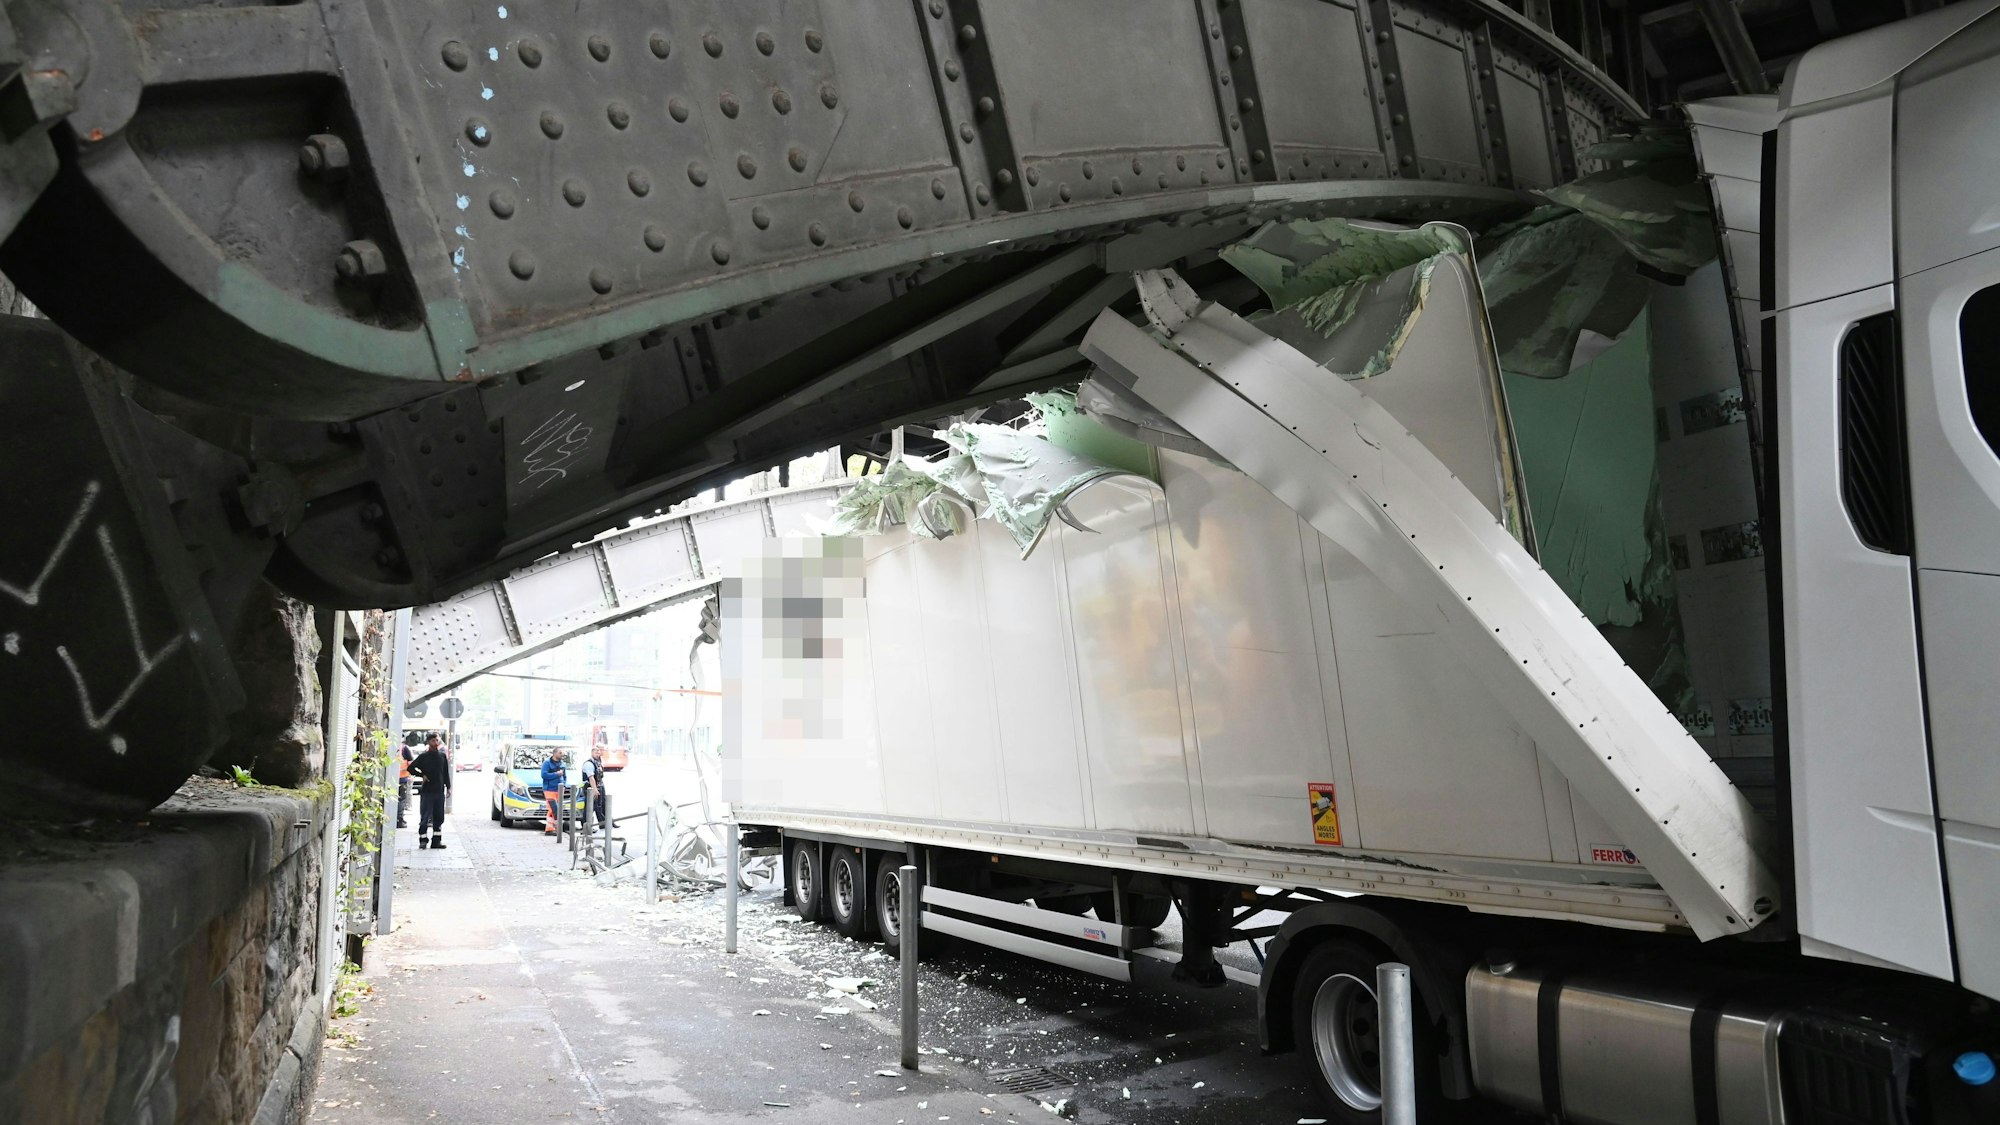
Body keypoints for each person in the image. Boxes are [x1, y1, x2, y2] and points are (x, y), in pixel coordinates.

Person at [409, 733, 453, 849]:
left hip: (439, 791)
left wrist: (448, 787)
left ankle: (436, 841)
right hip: (427, 792)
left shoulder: (442, 756)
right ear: (428, 742)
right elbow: (410, 768)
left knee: (439, 817)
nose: (436, 743)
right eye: (433, 741)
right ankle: (423, 840)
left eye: (437, 740)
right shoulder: (423, 757)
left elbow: (445, 773)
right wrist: (421, 775)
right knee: (425, 817)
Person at [541, 747, 567, 836]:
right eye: (560, 753)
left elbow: (564, 776)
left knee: (554, 810)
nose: (562, 754)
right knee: (553, 809)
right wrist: (556, 774)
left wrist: (564, 785)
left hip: (559, 790)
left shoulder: (562, 764)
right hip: (549, 790)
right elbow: (544, 775)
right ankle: (556, 828)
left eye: (562, 752)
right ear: (555, 753)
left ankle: (549, 829)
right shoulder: (547, 763)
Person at [582, 744, 608, 828]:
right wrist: (594, 789)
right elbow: (591, 778)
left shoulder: (598, 762)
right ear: (592, 752)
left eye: (599, 752)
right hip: (591, 787)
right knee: (590, 807)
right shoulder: (589, 764)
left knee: (601, 805)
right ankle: (586, 826)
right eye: (596, 752)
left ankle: (603, 823)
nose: (598, 753)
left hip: (599, 786)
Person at [395, 742, 413, 828]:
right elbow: (410, 764)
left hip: (391, 779)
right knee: (401, 800)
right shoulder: (404, 748)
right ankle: (399, 820)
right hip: (402, 779)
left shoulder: (388, 745)